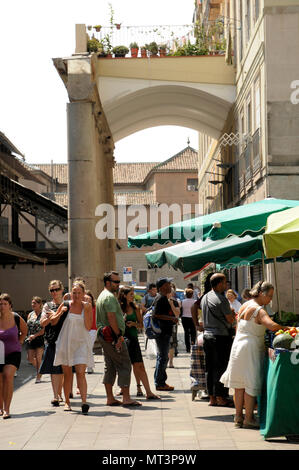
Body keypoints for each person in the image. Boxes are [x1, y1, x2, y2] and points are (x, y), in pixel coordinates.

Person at [220, 281, 287, 429]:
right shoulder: (259, 310)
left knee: (239, 384)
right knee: (250, 383)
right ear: (262, 294)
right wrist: (290, 328)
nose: (270, 299)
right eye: (269, 296)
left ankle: (238, 417)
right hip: (250, 347)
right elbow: (272, 326)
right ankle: (249, 418)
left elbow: (238, 326)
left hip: (238, 346)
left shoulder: (244, 305)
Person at [96, 271, 141, 407]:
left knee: (109, 366)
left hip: (105, 336)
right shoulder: (109, 297)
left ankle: (110, 398)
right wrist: (118, 337)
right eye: (116, 282)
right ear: (108, 283)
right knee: (124, 363)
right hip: (111, 336)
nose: (118, 284)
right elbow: (111, 317)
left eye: (119, 281)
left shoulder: (102, 295)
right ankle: (126, 398)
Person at [51, 281, 93, 414]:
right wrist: (59, 312)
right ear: (70, 293)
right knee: (67, 374)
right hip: (66, 342)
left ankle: (84, 402)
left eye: (79, 292)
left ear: (83, 294)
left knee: (81, 372)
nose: (76, 295)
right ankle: (67, 402)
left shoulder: (87, 306)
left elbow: (88, 326)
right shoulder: (65, 305)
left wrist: (87, 310)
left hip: (81, 343)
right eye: (74, 292)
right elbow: (53, 322)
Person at [118, 286, 160, 400]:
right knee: (124, 366)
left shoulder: (135, 308)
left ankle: (148, 391)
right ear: (124, 295)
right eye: (131, 294)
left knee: (139, 365)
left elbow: (141, 325)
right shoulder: (118, 308)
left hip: (133, 339)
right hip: (122, 339)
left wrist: (133, 324)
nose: (133, 296)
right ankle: (124, 389)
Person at [201, 273, 235, 407]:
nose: (226, 285)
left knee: (210, 367)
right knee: (221, 367)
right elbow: (230, 319)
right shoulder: (221, 299)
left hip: (207, 336)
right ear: (219, 283)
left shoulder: (205, 297)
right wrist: (232, 313)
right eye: (225, 282)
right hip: (220, 337)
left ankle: (212, 397)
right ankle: (221, 397)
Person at [39, 280, 67, 407]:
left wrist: (53, 316)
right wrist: (54, 316)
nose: (54, 292)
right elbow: (43, 323)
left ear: (62, 290)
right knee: (54, 369)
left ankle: (61, 393)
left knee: (63, 370)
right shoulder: (47, 305)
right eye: (52, 290)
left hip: (66, 339)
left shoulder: (67, 304)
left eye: (56, 289)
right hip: (52, 339)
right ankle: (56, 396)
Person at [0, 293, 28, 419]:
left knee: (8, 376)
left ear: (10, 305)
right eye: (0, 304)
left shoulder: (15, 317)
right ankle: (0, 407)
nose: (2, 306)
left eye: (5, 304)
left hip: (13, 352)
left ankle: (7, 409)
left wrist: (21, 340)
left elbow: (25, 329)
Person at [152, 277, 178, 391]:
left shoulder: (162, 298)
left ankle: (160, 381)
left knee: (162, 357)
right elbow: (156, 314)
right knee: (163, 357)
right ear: (162, 287)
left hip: (164, 331)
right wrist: (171, 318)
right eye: (168, 284)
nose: (170, 286)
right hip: (162, 332)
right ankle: (160, 383)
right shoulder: (161, 298)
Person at [25, 296, 45, 383]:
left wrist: (35, 335)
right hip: (30, 338)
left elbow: (43, 330)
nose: (33, 305)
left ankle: (38, 376)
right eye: (32, 303)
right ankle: (41, 369)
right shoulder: (30, 314)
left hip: (40, 338)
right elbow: (27, 326)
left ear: (40, 304)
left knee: (38, 358)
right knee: (29, 358)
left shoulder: (43, 315)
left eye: (35, 303)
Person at [167, 289, 180, 368]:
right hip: (162, 326)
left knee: (171, 344)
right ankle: (165, 360)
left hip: (172, 326)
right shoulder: (161, 301)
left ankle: (171, 362)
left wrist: (171, 305)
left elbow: (177, 313)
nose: (169, 294)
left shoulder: (175, 302)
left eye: (170, 292)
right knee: (163, 344)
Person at [181, 288, 197, 353]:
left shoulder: (183, 301)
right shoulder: (195, 301)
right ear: (192, 294)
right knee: (193, 331)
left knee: (186, 332)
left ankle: (187, 348)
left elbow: (181, 309)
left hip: (184, 317)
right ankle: (193, 342)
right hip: (192, 318)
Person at [85, 290, 97, 374]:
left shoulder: (95, 307)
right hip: (84, 329)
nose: (87, 300)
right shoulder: (83, 307)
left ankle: (89, 366)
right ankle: (89, 366)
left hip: (93, 329)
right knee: (87, 348)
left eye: (88, 298)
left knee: (89, 347)